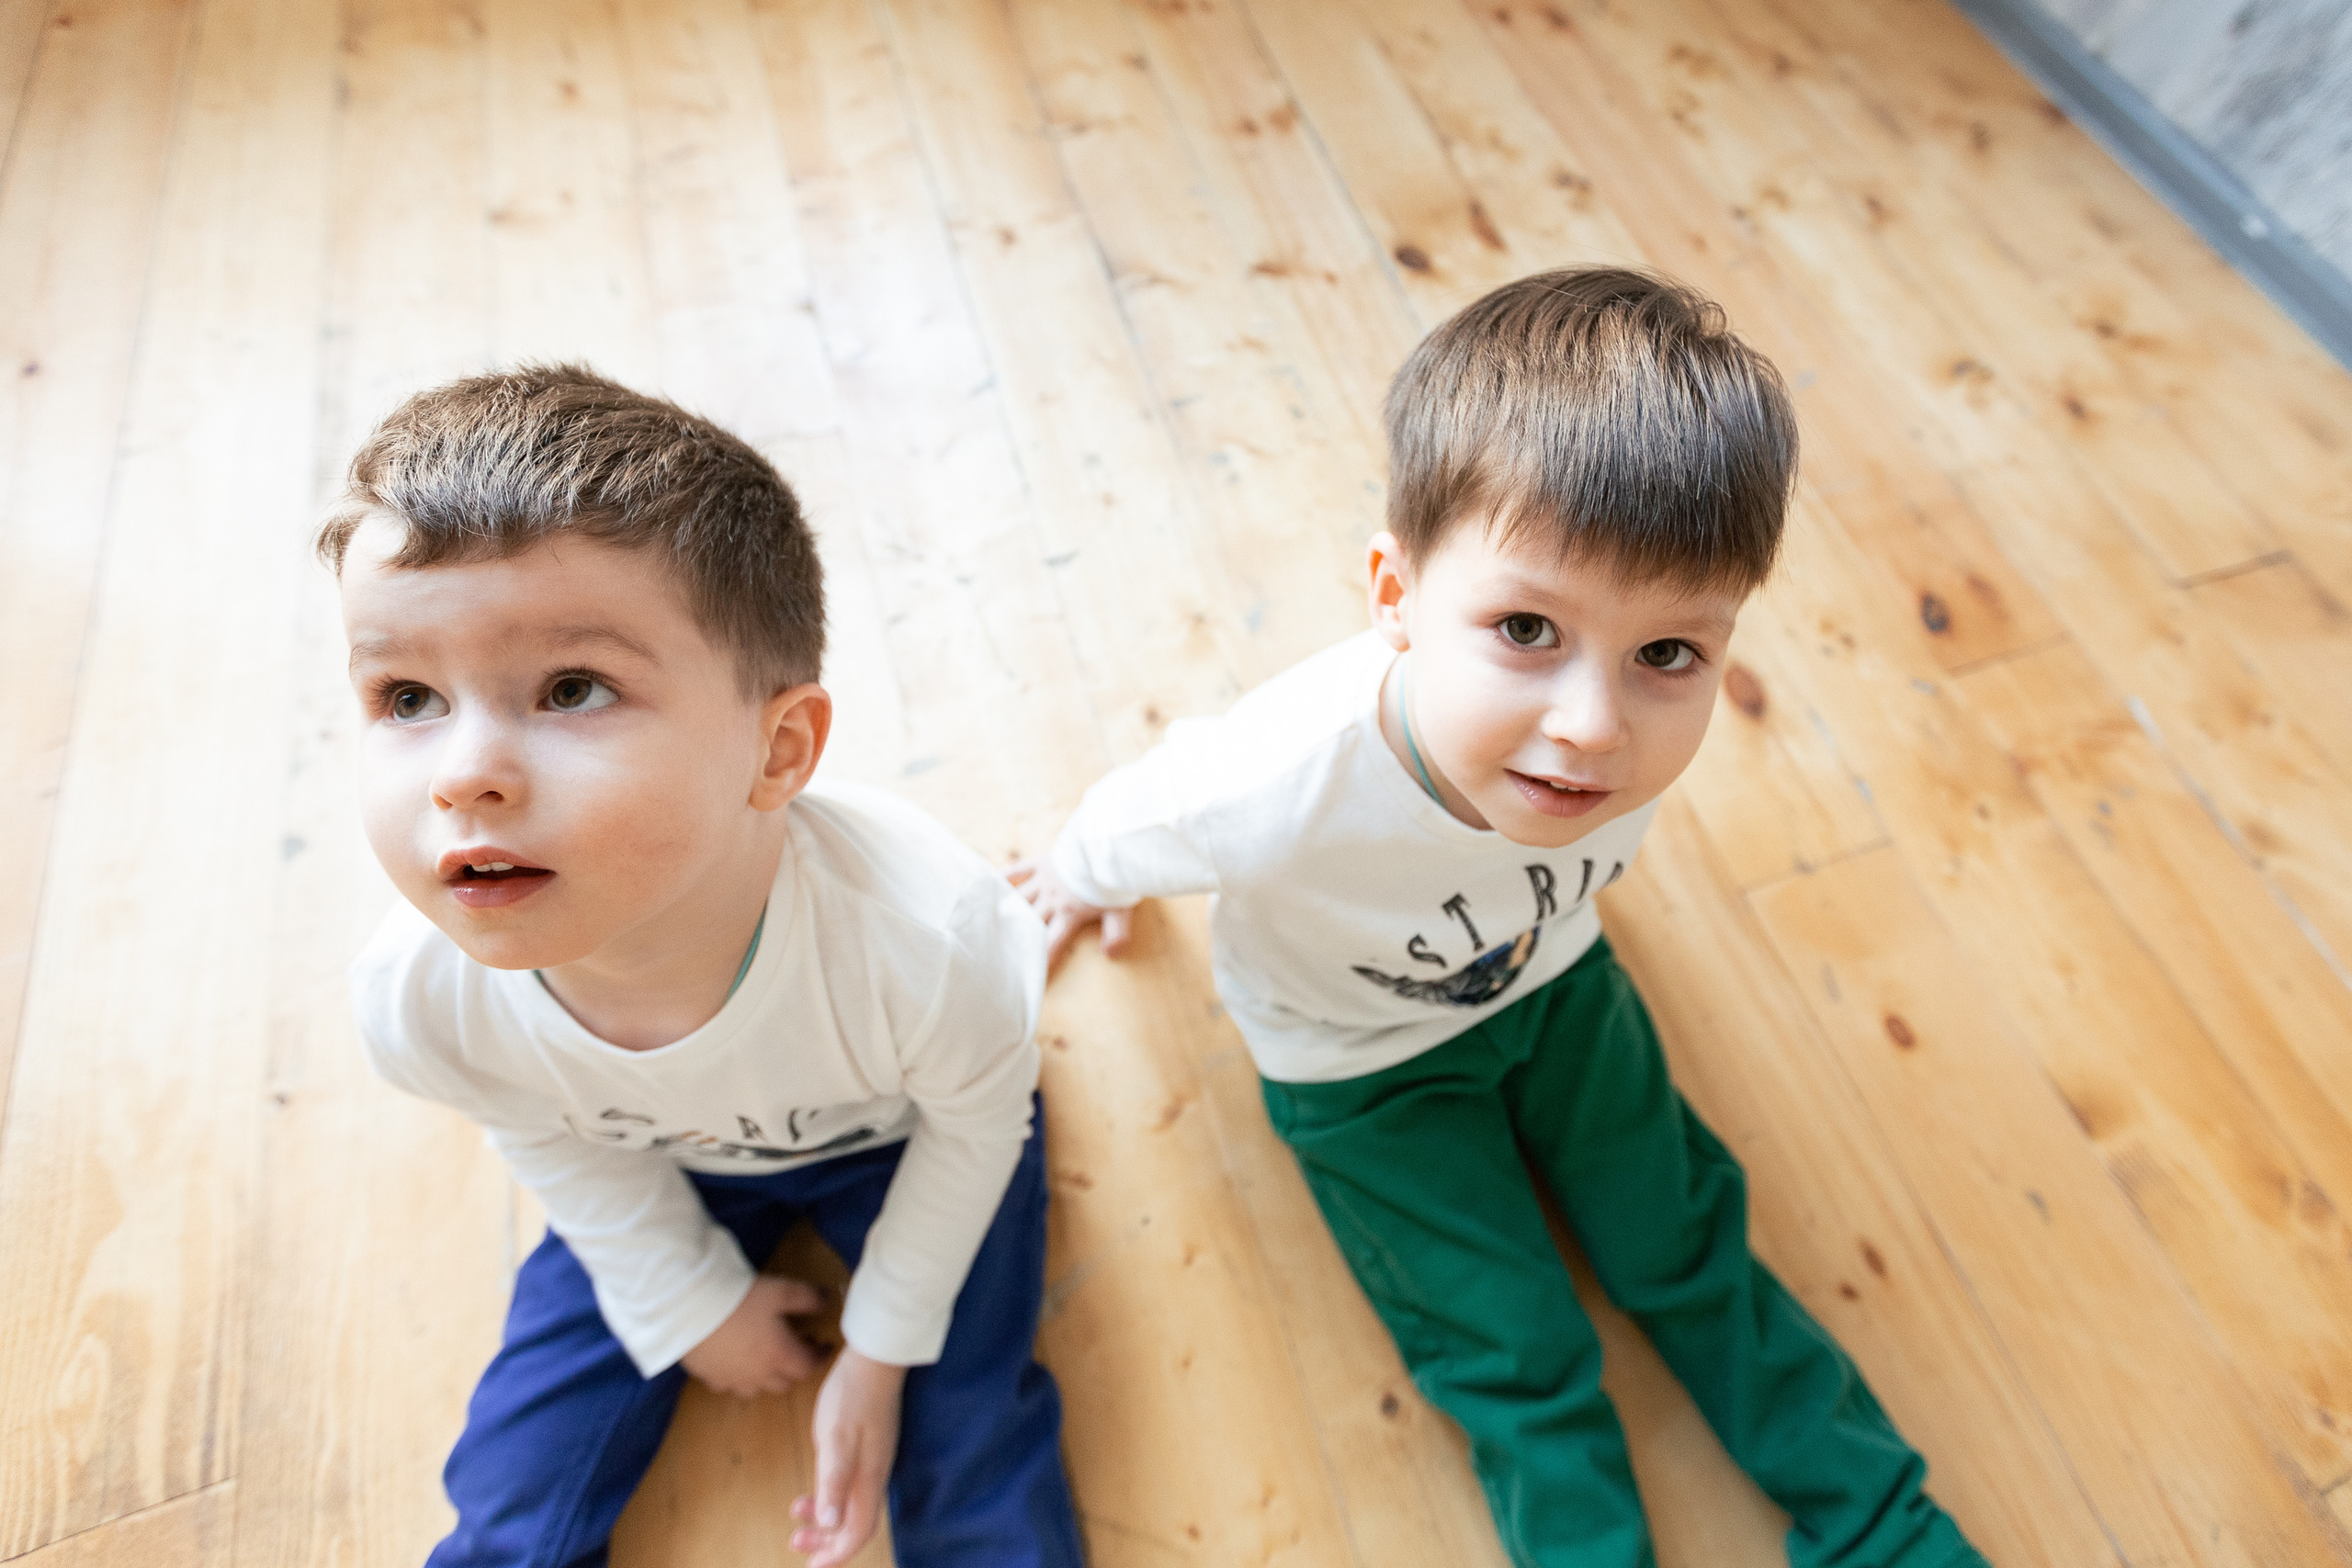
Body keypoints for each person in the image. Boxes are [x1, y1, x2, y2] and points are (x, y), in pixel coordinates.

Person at [1012, 268, 1986, 1568]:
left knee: (1691, 1249)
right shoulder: (1273, 780)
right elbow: (1140, 815)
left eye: (1668, 655)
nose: (1593, 726)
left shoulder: (1620, 741)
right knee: (1510, 1348)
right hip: (1358, 1067)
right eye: (1526, 628)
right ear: (1396, 595)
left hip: (1557, 989)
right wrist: (1079, 875)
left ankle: (1890, 1535)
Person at [327, 366, 1082, 1568]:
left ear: (777, 751)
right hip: (650, 1153)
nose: (461, 775)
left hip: (903, 1139)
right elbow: (546, 1137)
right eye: (407, 696)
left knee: (970, 1418)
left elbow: (979, 1127)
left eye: (571, 689)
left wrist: (879, 1352)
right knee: (516, 1481)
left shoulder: (931, 943)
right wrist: (688, 1302)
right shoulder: (418, 1000)